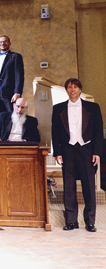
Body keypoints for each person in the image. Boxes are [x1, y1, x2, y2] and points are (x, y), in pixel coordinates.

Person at [52, 78, 102, 232]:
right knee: (68, 187)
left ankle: (90, 221)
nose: (72, 90)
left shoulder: (92, 107)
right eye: (69, 87)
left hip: (87, 150)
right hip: (67, 150)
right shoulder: (58, 108)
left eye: (75, 87)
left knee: (89, 186)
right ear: (66, 90)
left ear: (80, 89)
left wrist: (97, 152)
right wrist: (58, 153)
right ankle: (72, 221)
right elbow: (55, 132)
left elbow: (98, 132)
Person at [0, 35, 24, 114]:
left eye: (5, 41)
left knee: (13, 115)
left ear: (9, 43)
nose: (3, 43)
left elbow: (19, 75)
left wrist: (17, 93)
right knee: (1, 115)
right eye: (1, 42)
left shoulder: (16, 56)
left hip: (10, 93)